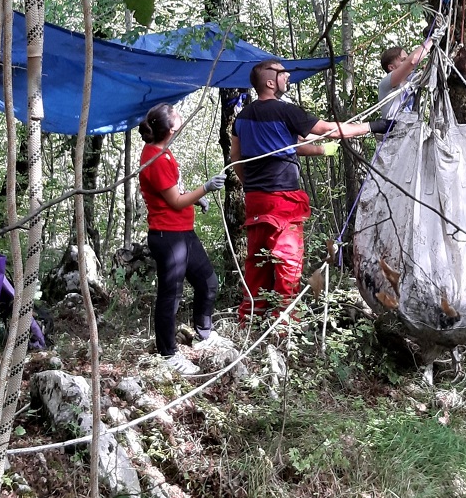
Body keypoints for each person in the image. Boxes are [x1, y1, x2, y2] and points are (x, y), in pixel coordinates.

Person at [233, 60, 388, 324]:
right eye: (282, 73)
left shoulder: (243, 117)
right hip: (282, 201)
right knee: (287, 265)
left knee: (257, 264)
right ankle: (283, 329)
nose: (287, 76)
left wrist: (320, 150)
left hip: (256, 201)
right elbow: (329, 129)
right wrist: (375, 126)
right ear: (270, 82)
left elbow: (241, 158)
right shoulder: (285, 111)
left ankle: (250, 320)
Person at [137, 103, 225, 376]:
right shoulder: (155, 158)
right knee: (170, 297)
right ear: (170, 128)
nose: (180, 115)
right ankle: (168, 353)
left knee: (208, 282)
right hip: (167, 236)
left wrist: (197, 200)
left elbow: (173, 193)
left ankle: (204, 332)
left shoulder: (163, 153)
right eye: (175, 114)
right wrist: (204, 188)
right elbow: (174, 202)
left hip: (183, 233)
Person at [377, 43, 425, 122]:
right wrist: (431, 40)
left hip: (411, 129)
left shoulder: (412, 79)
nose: (407, 62)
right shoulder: (386, 83)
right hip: (395, 130)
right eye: (404, 60)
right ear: (391, 67)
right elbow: (412, 62)